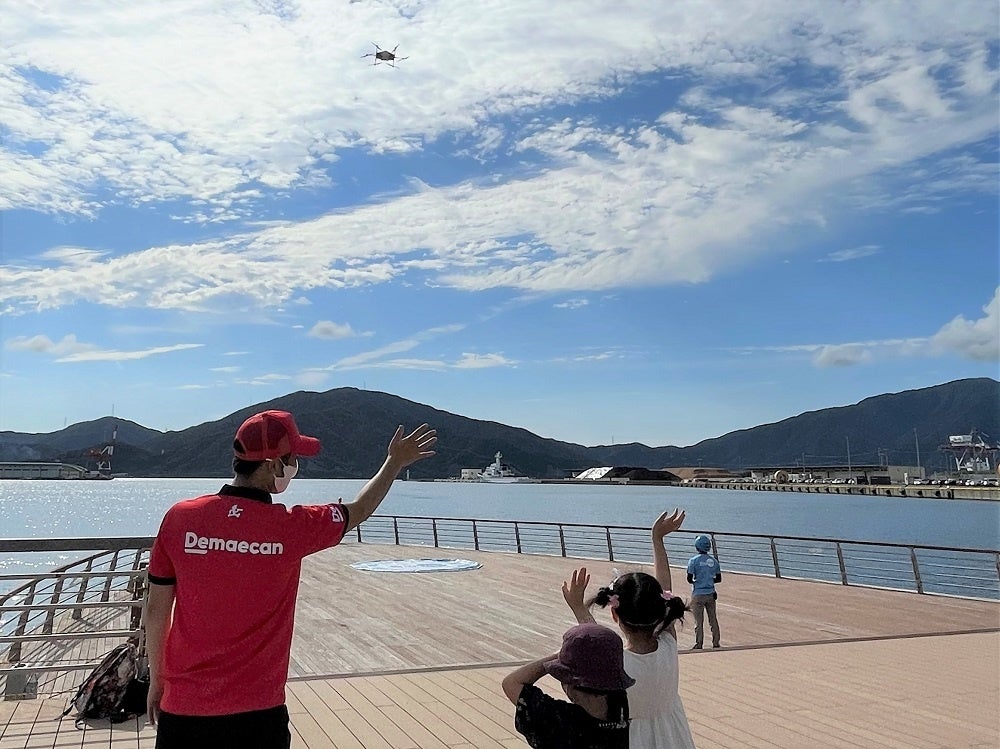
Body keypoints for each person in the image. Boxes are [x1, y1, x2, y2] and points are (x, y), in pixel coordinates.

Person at [143, 410, 436, 749]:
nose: (295, 466)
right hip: (259, 714)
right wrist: (394, 463)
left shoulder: (180, 518)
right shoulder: (292, 528)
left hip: (184, 710)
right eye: (292, 458)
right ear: (272, 465)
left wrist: (157, 679)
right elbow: (360, 509)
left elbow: (156, 609)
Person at [563, 508, 697, 749]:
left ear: (614, 614)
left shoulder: (616, 662)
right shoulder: (668, 645)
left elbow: (595, 638)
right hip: (674, 735)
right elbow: (665, 586)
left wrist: (578, 607)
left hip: (633, 739)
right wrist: (657, 539)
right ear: (662, 610)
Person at [501, 622, 632, 749]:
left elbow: (511, 682)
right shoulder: (625, 708)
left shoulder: (558, 721)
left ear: (570, 687)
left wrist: (557, 657)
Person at [686, 533, 722, 650]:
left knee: (699, 621)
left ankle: (699, 644)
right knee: (713, 620)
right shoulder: (714, 561)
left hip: (698, 594)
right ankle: (716, 642)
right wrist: (709, 580)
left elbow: (689, 579)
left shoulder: (693, 561)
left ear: (697, 546)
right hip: (711, 593)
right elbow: (719, 578)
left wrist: (698, 581)